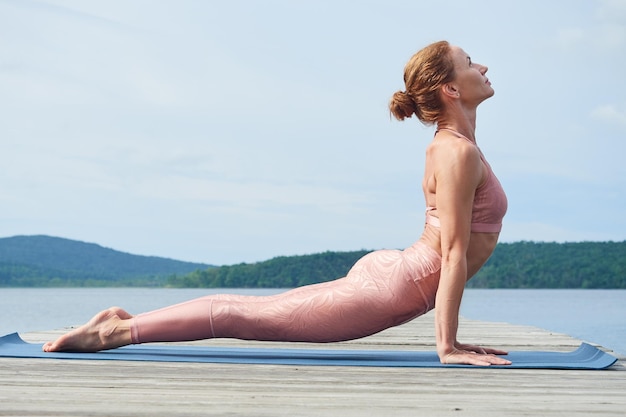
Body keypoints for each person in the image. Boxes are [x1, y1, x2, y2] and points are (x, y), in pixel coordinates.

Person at [43, 40, 511, 366]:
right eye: (471, 62)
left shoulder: (456, 146)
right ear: (450, 89)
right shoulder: (455, 151)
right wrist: (446, 346)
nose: (483, 68)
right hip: (392, 288)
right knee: (244, 316)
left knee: (254, 309)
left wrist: (450, 337)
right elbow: (452, 253)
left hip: (401, 275)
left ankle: (123, 323)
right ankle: (113, 332)